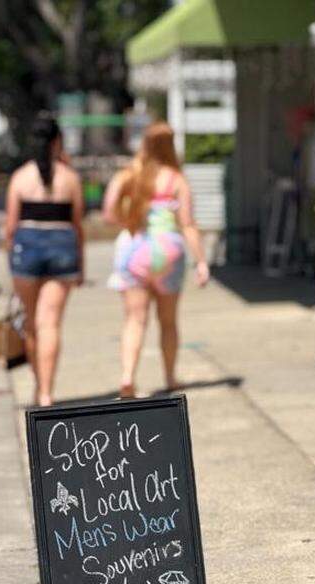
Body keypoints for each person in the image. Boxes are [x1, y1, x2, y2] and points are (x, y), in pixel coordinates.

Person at [103, 122, 210, 398]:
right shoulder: (176, 179)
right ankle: (171, 378)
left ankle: (128, 377)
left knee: (134, 319)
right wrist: (201, 262)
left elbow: (109, 213)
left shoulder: (132, 175)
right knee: (168, 321)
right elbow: (188, 224)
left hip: (135, 249)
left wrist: (129, 219)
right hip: (167, 252)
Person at [4, 114, 84, 406]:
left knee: (31, 324)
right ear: (57, 141)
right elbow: (78, 225)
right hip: (63, 248)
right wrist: (81, 265)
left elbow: (10, 228)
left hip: (26, 249)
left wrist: (12, 263)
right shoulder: (70, 178)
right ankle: (47, 393)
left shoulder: (20, 177)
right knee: (50, 323)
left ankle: (39, 386)